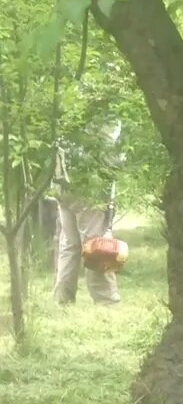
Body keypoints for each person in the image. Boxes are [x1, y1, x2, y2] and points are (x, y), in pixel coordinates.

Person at [52, 123, 124, 306]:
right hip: (89, 189)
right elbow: (111, 159)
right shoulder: (105, 118)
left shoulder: (70, 111)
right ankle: (106, 301)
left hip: (63, 186)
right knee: (97, 246)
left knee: (69, 245)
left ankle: (63, 299)